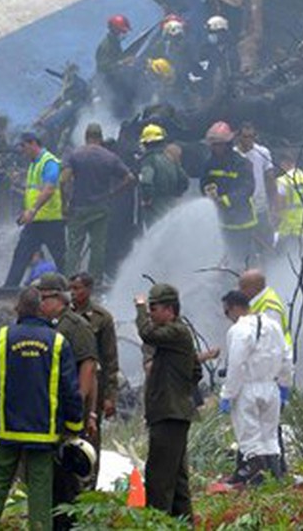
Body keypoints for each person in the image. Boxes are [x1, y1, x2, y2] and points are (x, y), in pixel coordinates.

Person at [0, 287, 84, 531]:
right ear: (41, 309)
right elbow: (70, 390)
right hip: (43, 431)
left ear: (19, 308)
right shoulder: (58, 342)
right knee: (40, 488)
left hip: (8, 428)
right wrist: (74, 426)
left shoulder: (3, 336)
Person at [34, 273, 98, 530]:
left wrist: (79, 406)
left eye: (43, 298)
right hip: (50, 411)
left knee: (65, 477)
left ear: (57, 298)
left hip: (66, 412)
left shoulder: (74, 325)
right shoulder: (49, 325)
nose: (40, 303)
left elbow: (89, 364)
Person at [134, 283, 201, 521]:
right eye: (149, 308)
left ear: (169, 309)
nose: (151, 313)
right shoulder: (178, 336)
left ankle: (158, 524)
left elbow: (147, 334)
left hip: (169, 414)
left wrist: (139, 308)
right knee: (177, 478)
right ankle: (182, 523)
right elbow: (195, 370)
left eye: (154, 308)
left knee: (159, 479)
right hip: (174, 413)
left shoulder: (176, 332)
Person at [219, 290, 293, 485]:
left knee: (249, 437)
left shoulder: (239, 330)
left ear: (235, 308)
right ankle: (275, 476)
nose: (228, 317)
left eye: (227, 312)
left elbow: (236, 365)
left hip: (247, 389)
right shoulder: (274, 326)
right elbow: (287, 357)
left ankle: (256, 479)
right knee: (270, 436)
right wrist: (285, 384)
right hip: (271, 387)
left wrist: (228, 394)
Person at [62, 123, 136, 283]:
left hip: (78, 208)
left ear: (86, 136)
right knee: (98, 247)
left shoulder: (74, 155)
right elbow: (130, 178)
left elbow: (63, 180)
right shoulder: (110, 157)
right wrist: (113, 193)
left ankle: (70, 281)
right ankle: (94, 282)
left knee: (74, 247)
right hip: (100, 208)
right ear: (101, 138)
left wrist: (65, 202)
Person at [69, 272, 119, 486]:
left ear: (88, 290)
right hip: (69, 383)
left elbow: (110, 360)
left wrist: (110, 396)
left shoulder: (101, 318)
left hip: (93, 387)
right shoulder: (64, 315)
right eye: (71, 288)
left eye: (77, 288)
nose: (73, 293)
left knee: (90, 436)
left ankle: (89, 483)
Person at [4, 133, 66, 287]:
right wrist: (27, 212)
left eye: (23, 146)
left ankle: (68, 287)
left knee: (61, 257)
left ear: (33, 144)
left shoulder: (49, 162)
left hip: (50, 221)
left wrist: (32, 210)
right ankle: (8, 289)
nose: (22, 151)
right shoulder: (34, 164)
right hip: (35, 221)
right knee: (21, 255)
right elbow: (33, 191)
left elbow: (49, 189)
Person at [200, 121, 257, 267]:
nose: (215, 148)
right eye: (213, 145)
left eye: (219, 144)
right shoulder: (209, 164)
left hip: (242, 223)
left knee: (243, 260)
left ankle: (246, 282)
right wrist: (208, 192)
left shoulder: (241, 163)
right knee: (224, 259)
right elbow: (204, 184)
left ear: (227, 144)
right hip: (220, 221)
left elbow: (247, 189)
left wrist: (225, 200)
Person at [234, 123, 277, 252]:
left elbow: (270, 178)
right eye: (245, 136)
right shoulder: (233, 154)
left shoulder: (262, 152)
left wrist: (273, 205)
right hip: (240, 208)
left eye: (251, 136)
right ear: (239, 137)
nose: (249, 140)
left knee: (265, 242)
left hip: (260, 207)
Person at [137, 124, 189, 229]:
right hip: (172, 206)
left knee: (155, 237)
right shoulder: (171, 158)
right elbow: (184, 181)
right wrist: (177, 194)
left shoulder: (148, 160)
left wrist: (147, 199)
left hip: (155, 208)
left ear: (146, 143)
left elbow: (146, 181)